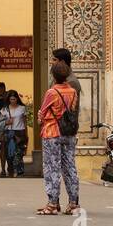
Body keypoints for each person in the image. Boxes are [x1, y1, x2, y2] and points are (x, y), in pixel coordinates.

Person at [36, 61, 79, 215]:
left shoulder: (51, 92)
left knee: (52, 167)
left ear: (53, 75)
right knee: (70, 167)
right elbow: (72, 110)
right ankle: (73, 203)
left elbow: (42, 113)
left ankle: (53, 203)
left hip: (52, 132)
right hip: (68, 133)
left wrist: (41, 119)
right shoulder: (73, 91)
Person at [1, 89, 28, 177]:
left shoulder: (22, 108)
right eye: (11, 99)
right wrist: (6, 122)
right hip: (9, 132)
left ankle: (18, 170)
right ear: (8, 99)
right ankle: (12, 169)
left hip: (20, 132)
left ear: (17, 99)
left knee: (19, 153)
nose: (12, 101)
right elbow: (0, 122)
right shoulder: (4, 109)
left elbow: (25, 122)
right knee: (10, 153)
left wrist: (26, 134)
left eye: (14, 99)